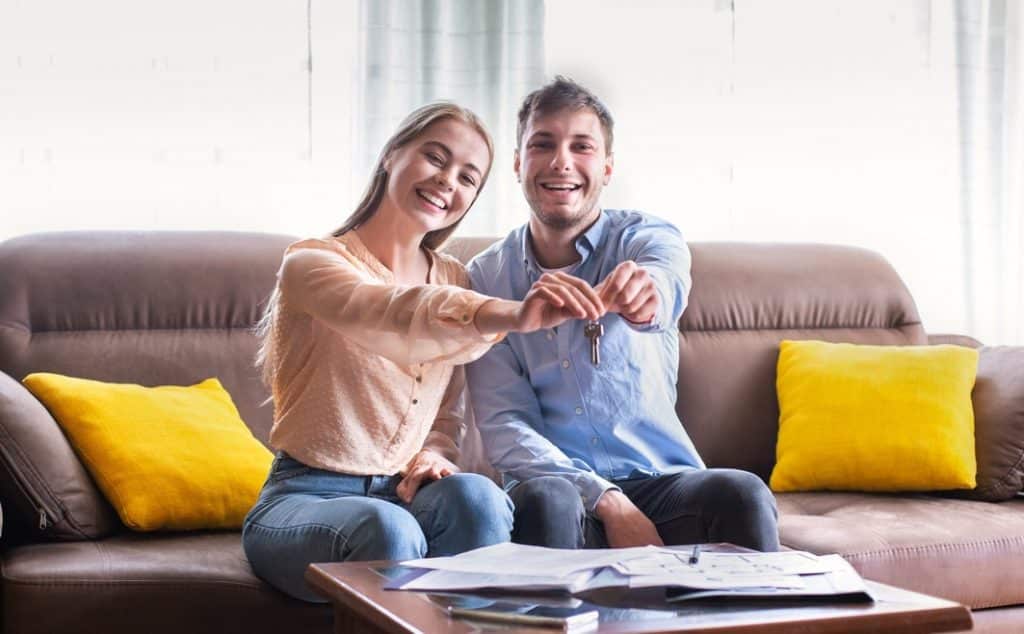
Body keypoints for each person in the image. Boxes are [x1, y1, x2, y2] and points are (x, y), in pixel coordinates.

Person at [242, 102, 602, 602]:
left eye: (467, 177)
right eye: (435, 158)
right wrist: (512, 314)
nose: (447, 181)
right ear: (392, 155)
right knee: (388, 530)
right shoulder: (312, 263)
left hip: (404, 494)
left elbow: (446, 410)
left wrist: (434, 453)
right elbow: (386, 311)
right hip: (304, 495)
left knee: (480, 499)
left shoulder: (454, 277)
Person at [466, 77, 780, 551]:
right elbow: (505, 424)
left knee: (741, 492)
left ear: (608, 167)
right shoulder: (486, 278)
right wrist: (608, 501)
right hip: (560, 489)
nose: (561, 162)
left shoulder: (647, 237)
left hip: (662, 480)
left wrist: (644, 296)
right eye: (542, 144)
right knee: (549, 500)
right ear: (517, 163)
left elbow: (666, 281)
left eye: (582, 146)